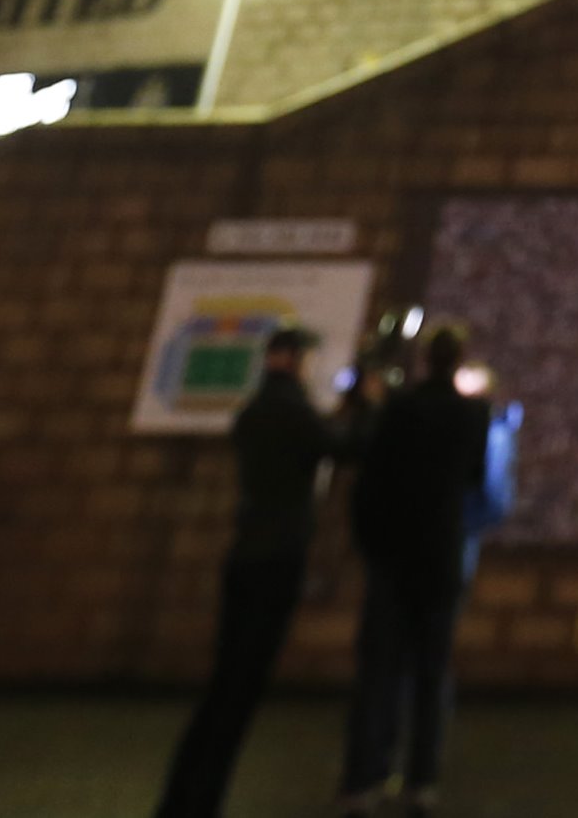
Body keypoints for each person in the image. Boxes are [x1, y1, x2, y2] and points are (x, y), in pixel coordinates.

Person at [153, 327, 348, 818]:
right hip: (277, 559)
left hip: (245, 553)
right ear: (294, 359)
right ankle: (199, 800)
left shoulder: (254, 411)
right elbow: (342, 448)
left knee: (224, 684)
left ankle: (186, 795)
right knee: (239, 690)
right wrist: (367, 406)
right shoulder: (291, 411)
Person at [339, 322, 495, 816]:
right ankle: (421, 781)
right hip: (441, 559)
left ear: (426, 359)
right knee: (432, 675)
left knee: (379, 673)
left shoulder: (399, 409)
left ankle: (364, 780)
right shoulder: (474, 414)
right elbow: (474, 477)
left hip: (392, 559)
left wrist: (370, 544)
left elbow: (370, 479)